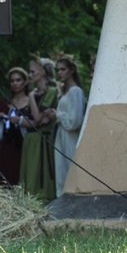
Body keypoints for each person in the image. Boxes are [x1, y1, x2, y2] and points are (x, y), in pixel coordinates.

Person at [19, 58, 57, 201]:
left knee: (39, 174)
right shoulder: (36, 93)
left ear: (42, 72)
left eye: (32, 71)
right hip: (30, 139)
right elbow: (35, 120)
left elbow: (37, 118)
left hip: (42, 139)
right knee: (29, 175)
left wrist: (31, 97)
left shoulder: (51, 91)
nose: (30, 75)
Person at [50, 56, 86, 197]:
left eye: (63, 69)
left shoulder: (75, 91)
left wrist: (57, 115)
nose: (60, 73)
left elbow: (75, 121)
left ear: (71, 70)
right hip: (62, 135)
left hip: (70, 137)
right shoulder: (66, 91)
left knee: (69, 168)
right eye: (58, 70)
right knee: (61, 169)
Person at [0, 67, 30, 185]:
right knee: (5, 179)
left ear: (25, 82)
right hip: (7, 145)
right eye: (12, 81)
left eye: (18, 80)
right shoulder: (6, 102)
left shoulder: (31, 101)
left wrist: (20, 120)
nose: (15, 83)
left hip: (24, 145)